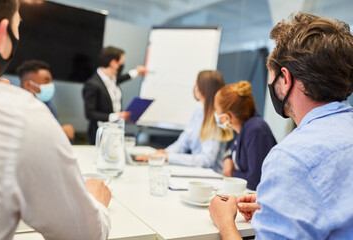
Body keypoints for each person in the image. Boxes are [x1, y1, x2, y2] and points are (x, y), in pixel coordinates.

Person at [209, 12, 353, 239]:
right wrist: (280, 204)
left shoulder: (292, 158)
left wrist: (225, 222)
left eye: (271, 75)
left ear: (285, 79)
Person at [0, 1, 112, 239]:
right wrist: (95, 202)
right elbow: (84, 234)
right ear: (1, 34)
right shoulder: (19, 114)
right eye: (18, 27)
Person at [135, 70, 233, 173]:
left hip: (211, 177)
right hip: (197, 173)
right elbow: (183, 143)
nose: (194, 87)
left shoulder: (217, 119)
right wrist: (163, 153)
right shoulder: (198, 112)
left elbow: (206, 160)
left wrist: (168, 157)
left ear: (202, 89)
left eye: (197, 84)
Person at [214, 81, 276, 190]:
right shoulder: (244, 128)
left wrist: (231, 174)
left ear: (227, 117)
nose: (215, 113)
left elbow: (255, 180)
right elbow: (235, 154)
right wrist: (227, 160)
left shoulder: (255, 130)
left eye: (216, 109)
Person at [83, 46, 146, 144]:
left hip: (115, 130)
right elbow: (90, 113)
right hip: (100, 134)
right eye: (121, 64)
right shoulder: (92, 84)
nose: (122, 66)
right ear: (113, 63)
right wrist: (117, 116)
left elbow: (123, 78)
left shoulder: (112, 79)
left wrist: (137, 72)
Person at [17, 59, 75, 140]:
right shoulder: (17, 107)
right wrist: (60, 132)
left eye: (51, 81)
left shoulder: (46, 103)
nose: (51, 85)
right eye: (46, 81)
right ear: (28, 85)